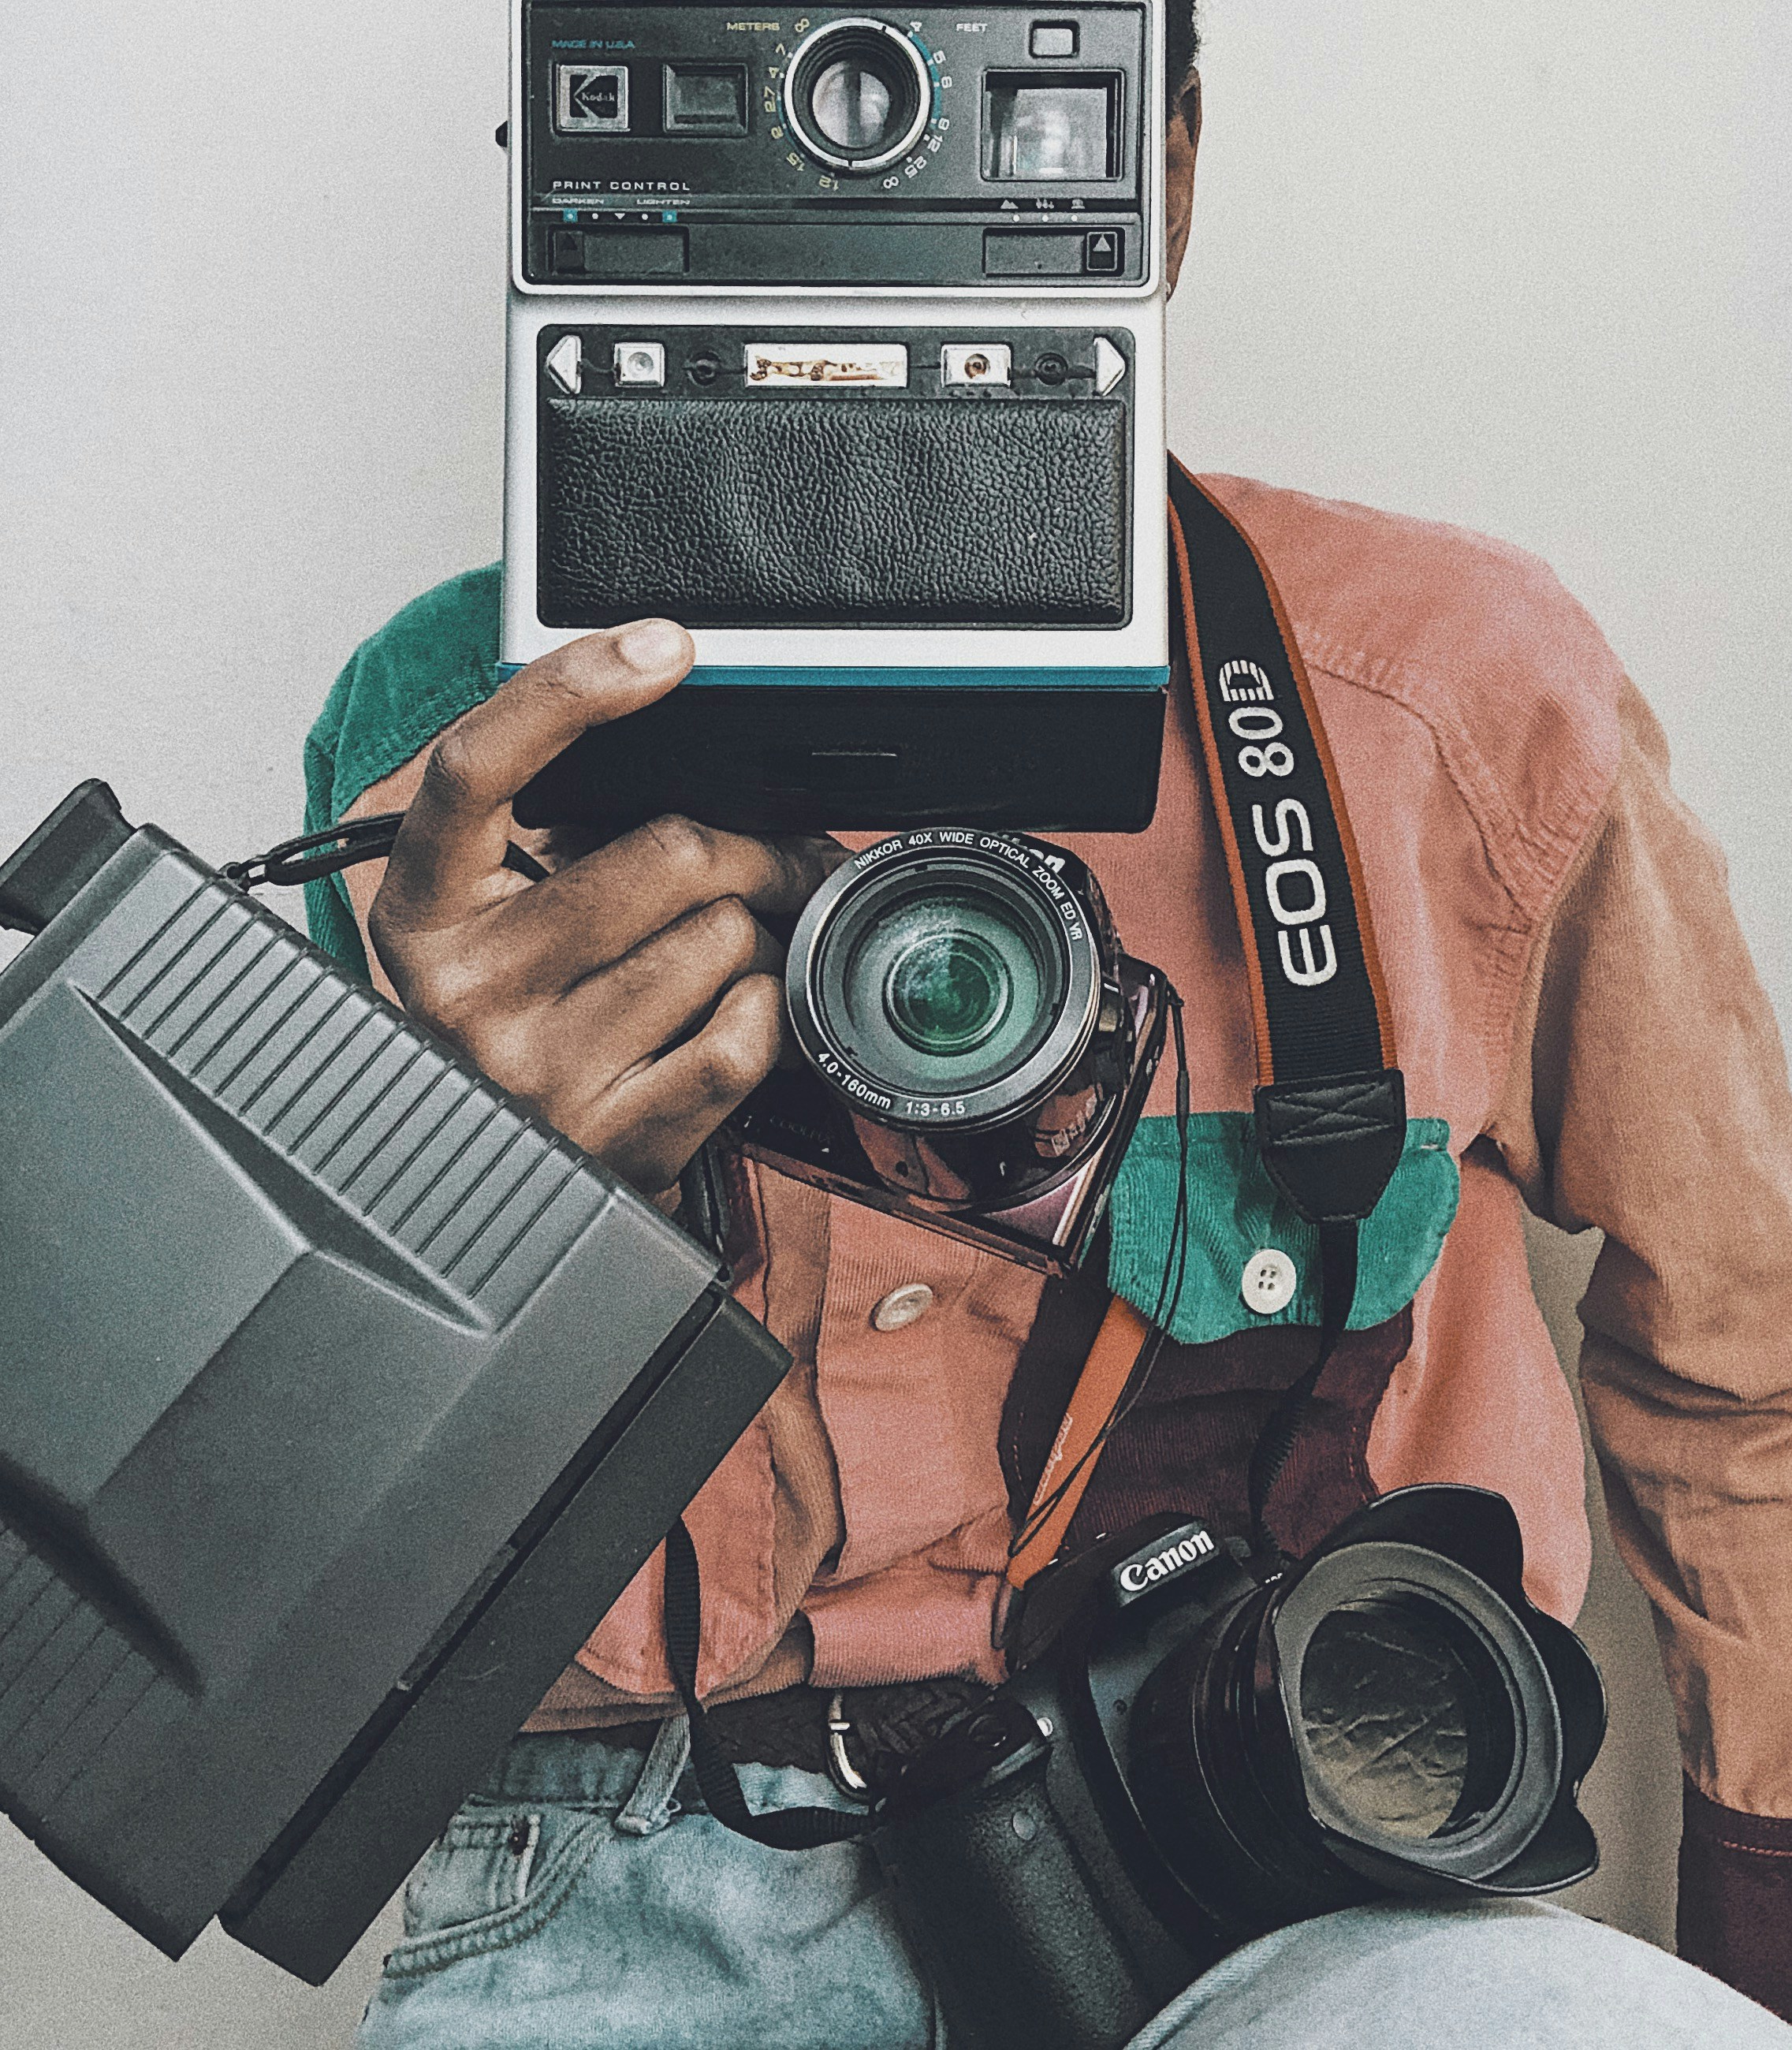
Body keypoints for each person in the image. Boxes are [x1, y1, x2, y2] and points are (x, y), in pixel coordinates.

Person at [300, 10, 1792, 2045]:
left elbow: (1744, 1343)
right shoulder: (445, 740)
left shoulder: (1446, 695)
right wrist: (446, 1202)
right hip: (635, 1849)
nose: (855, 164)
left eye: (984, 90)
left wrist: (1762, 1907)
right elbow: (299, 1533)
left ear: (1156, 169)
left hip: (1286, 1804)